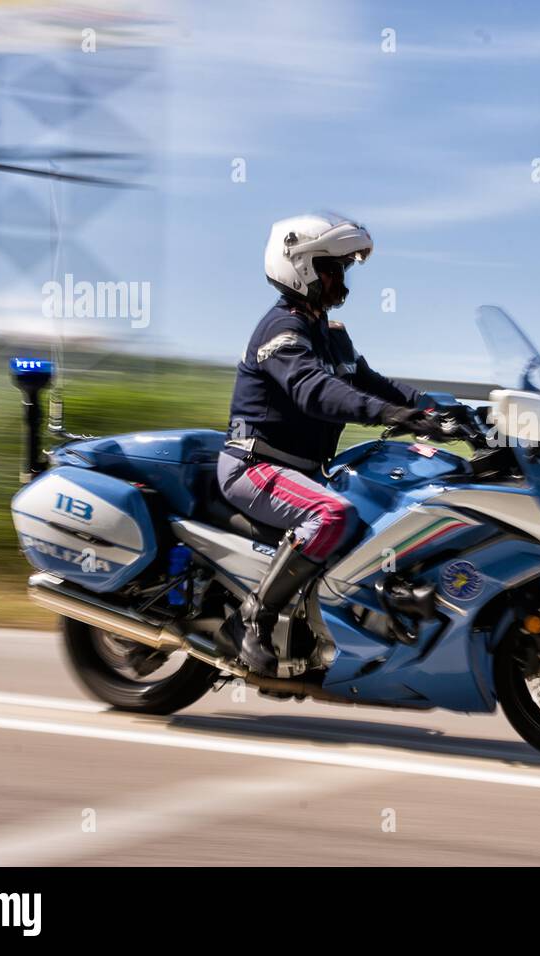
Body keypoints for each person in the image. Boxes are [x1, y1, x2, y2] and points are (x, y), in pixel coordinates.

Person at [218, 213, 435, 675]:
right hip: (257, 466)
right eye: (332, 268)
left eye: (343, 268)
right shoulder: (281, 331)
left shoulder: (330, 336)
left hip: (301, 469)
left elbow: (377, 386)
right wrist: (389, 416)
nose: (341, 279)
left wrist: (439, 412)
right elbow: (314, 391)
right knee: (330, 515)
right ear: (300, 267)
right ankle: (253, 619)